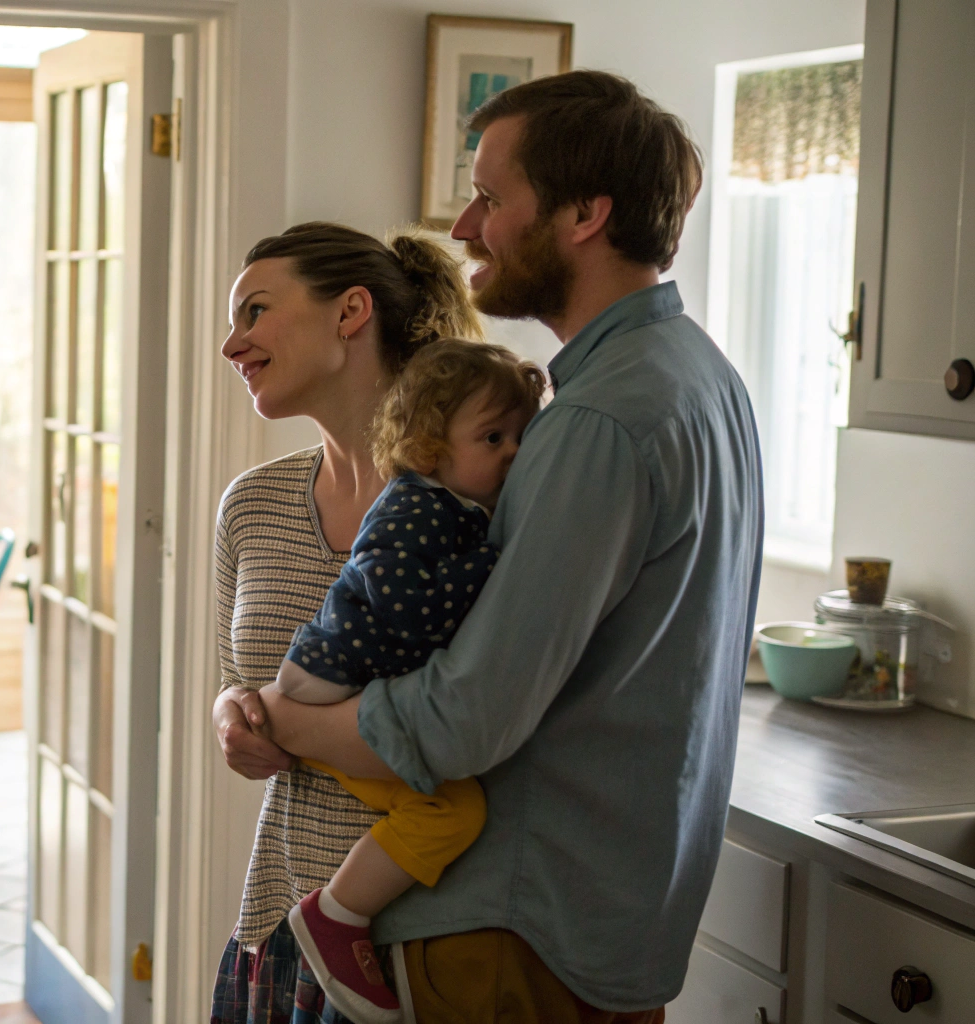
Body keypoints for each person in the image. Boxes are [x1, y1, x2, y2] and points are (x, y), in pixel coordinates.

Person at [233, 70, 764, 1022]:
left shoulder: (596, 421)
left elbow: (465, 718)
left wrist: (284, 720)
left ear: (585, 215)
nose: (466, 225)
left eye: (490, 196)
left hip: (519, 927)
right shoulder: (700, 375)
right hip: (607, 919)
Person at [211, 222, 482, 1024]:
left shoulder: (477, 503)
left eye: (256, 311)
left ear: (351, 311)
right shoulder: (252, 504)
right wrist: (231, 718)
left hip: (424, 948)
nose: (232, 344)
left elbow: (480, 721)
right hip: (278, 920)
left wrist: (286, 720)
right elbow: (236, 681)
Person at [273, 340, 544, 1023]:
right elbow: (407, 606)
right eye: (493, 437)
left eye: (521, 434)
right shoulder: (416, 507)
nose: (513, 451)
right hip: (330, 687)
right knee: (452, 810)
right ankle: (338, 914)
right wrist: (496, 568)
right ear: (427, 448)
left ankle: (341, 911)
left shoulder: (451, 507)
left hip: (340, 682)